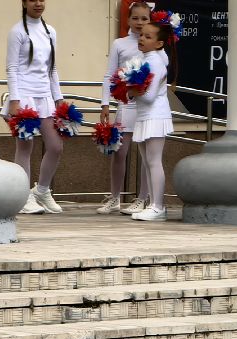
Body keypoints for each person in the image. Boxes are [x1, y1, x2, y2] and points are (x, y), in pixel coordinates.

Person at [6, 0, 68, 215]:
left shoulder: (50, 31)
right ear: (24, 3)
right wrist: (14, 99)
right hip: (24, 96)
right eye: (33, 0)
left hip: (45, 97)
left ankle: (41, 190)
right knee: (25, 147)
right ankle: (22, 197)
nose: (38, 3)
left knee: (55, 146)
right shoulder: (17, 31)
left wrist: (58, 98)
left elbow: (52, 68)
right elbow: (12, 67)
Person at [97, 1, 152, 214]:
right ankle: (115, 197)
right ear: (128, 20)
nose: (139, 23)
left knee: (146, 155)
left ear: (150, 20)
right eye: (135, 18)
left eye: (144, 18)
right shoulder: (119, 44)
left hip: (146, 106)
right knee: (119, 152)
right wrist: (105, 103)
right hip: (125, 104)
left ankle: (142, 198)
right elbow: (109, 75)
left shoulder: (155, 43)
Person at [128, 14, 176, 221]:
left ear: (159, 44)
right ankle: (151, 203)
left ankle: (158, 206)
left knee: (154, 161)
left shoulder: (156, 61)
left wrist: (129, 90)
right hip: (145, 115)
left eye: (148, 37)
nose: (142, 38)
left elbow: (148, 96)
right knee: (147, 162)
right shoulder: (146, 58)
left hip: (155, 115)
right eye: (141, 35)